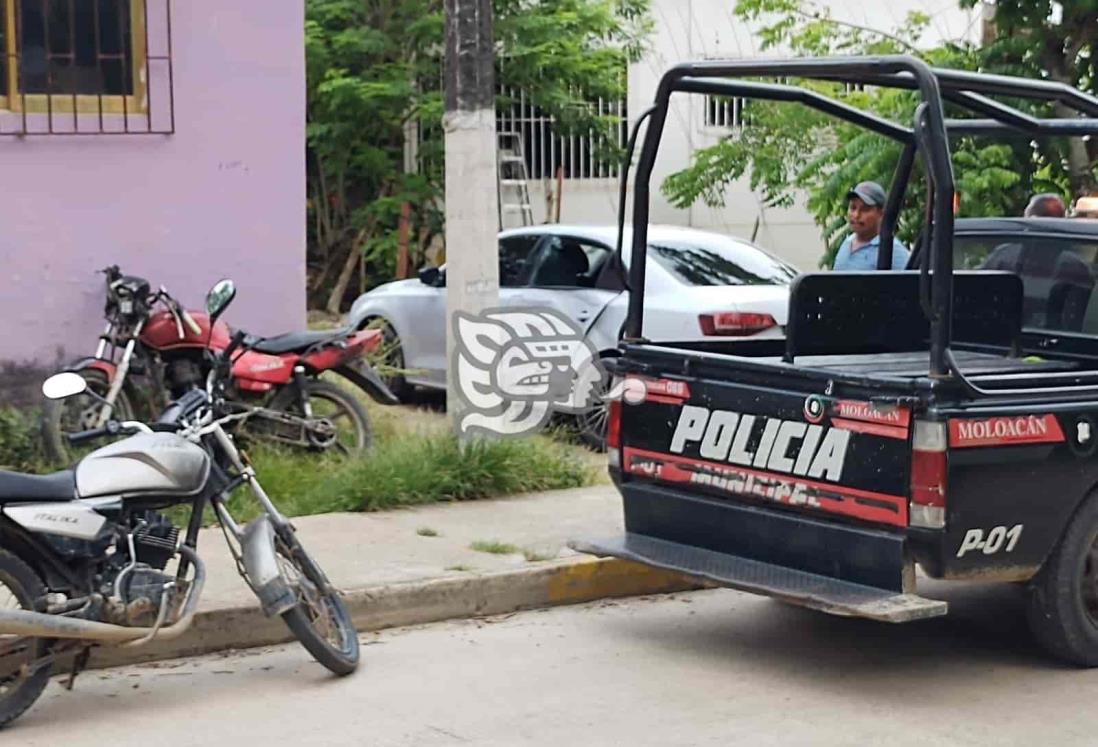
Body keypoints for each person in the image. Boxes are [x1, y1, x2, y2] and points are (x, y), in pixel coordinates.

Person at [832, 181, 910, 271]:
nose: (856, 215)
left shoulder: (894, 252)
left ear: (881, 213)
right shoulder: (846, 243)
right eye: (853, 208)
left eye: (865, 209)